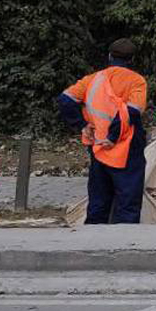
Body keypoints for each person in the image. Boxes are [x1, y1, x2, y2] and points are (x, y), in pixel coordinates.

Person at [59, 38, 148, 224]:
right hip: (125, 148)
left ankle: (94, 243)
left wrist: (81, 125)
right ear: (132, 60)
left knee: (98, 201)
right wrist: (113, 136)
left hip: (98, 146)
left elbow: (66, 100)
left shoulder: (94, 79)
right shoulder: (137, 81)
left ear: (109, 56)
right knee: (128, 202)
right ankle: (124, 244)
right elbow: (131, 112)